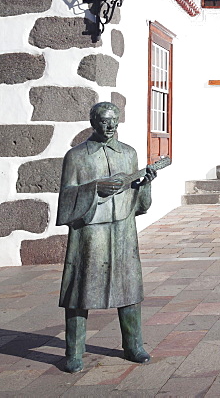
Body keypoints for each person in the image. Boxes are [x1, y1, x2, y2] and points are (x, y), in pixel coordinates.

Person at [57, 102, 155, 373]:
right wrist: (95, 187)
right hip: (90, 229)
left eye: (114, 120)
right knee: (80, 291)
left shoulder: (128, 154)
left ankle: (133, 345)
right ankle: (74, 352)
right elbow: (66, 199)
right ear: (93, 121)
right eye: (103, 121)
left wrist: (144, 185)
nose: (109, 126)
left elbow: (139, 204)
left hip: (122, 228)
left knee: (129, 286)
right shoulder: (76, 156)